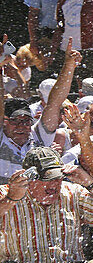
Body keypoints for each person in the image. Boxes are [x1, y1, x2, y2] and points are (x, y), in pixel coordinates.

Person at [0, 45, 72, 183]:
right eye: (15, 121)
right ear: (4, 122)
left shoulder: (38, 136)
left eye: (26, 121)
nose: (21, 127)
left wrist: (69, 64)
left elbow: (55, 102)